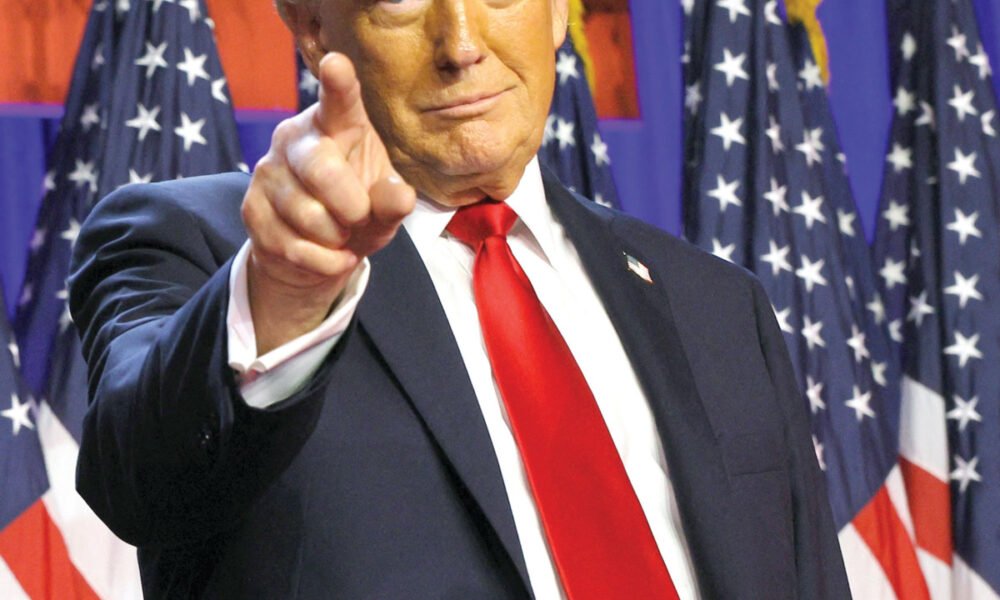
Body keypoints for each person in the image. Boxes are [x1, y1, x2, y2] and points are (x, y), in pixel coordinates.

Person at [69, 0, 851, 597]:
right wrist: (283, 298)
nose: (462, 45)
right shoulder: (207, 248)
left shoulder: (719, 305)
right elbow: (140, 485)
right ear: (311, 28)